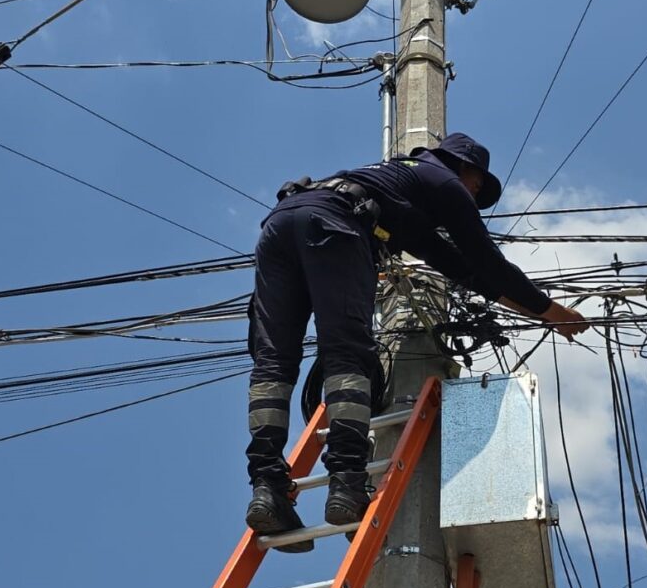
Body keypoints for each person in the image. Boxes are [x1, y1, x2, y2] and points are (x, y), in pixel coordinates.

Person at [245, 132, 588, 551]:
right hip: (336, 227)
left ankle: (267, 490)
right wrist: (553, 312)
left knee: (274, 363)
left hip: (280, 225)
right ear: (464, 169)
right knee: (348, 357)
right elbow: (487, 261)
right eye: (477, 187)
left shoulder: (398, 193)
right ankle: (347, 484)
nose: (473, 196)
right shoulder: (443, 183)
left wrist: (534, 312)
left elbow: (468, 273)